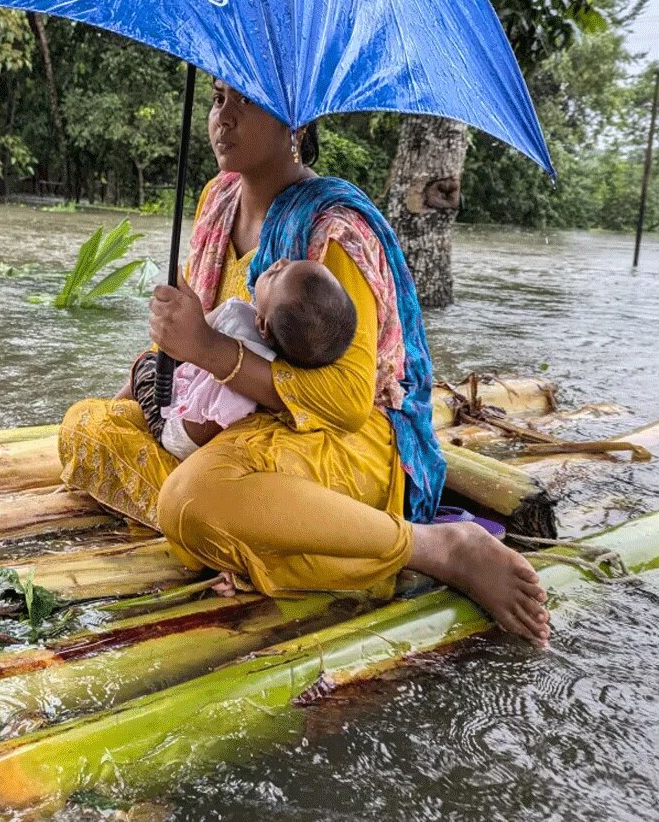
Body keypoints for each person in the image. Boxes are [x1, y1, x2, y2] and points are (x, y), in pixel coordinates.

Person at [59, 81, 550, 645]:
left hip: (338, 440)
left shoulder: (336, 231)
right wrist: (140, 391)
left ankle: (433, 548)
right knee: (87, 429)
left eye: (247, 101)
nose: (224, 118)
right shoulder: (216, 201)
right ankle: (254, 531)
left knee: (194, 500)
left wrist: (208, 351)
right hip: (231, 425)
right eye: (219, 99)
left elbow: (344, 402)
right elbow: (189, 343)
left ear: (297, 124)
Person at [130, 258, 357, 461]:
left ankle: (116, 407)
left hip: (175, 434)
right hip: (197, 440)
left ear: (262, 325)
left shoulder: (236, 315)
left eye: (276, 275)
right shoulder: (281, 364)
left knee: (146, 363)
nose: (282, 261)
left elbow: (182, 346)